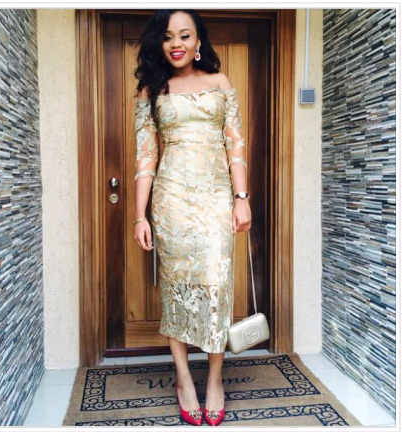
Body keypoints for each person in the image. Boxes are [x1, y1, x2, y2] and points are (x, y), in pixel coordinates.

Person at [133, 9, 252, 426]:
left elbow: (235, 145)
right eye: (168, 37)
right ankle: (184, 377)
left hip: (217, 197)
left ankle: (215, 378)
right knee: (175, 288)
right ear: (160, 43)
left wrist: (241, 198)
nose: (176, 44)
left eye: (185, 35)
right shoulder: (151, 89)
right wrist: (140, 216)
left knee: (217, 286)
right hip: (171, 201)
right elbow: (145, 157)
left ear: (199, 41)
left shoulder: (220, 83)